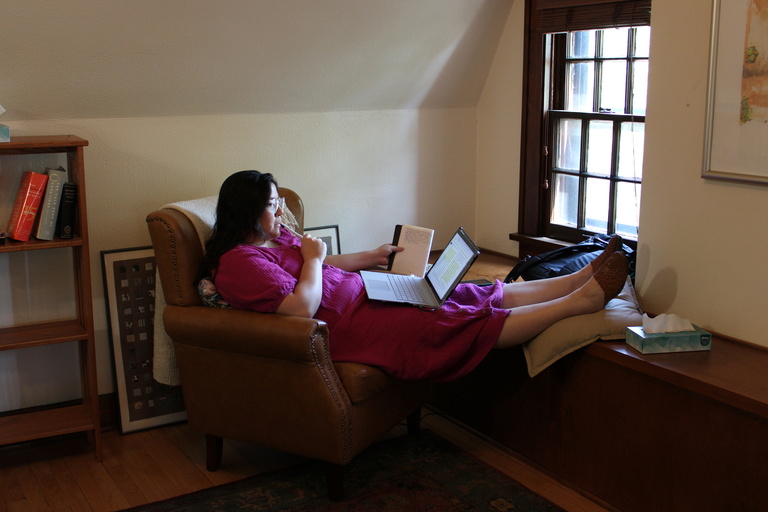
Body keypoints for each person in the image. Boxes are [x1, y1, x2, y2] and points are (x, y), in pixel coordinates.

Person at [201, 170, 628, 383]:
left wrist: (373, 255)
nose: (279, 212)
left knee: (464, 292)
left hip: (367, 293)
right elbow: (299, 307)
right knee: (451, 319)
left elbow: (321, 270)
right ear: (246, 212)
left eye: (278, 203)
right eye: (271, 205)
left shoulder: (274, 240)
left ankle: (580, 275)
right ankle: (582, 300)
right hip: (348, 327)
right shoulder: (237, 263)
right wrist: (314, 258)